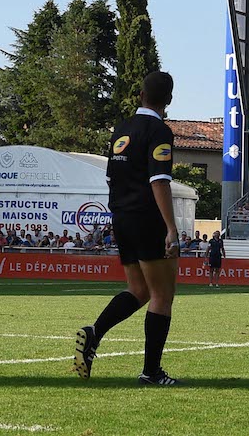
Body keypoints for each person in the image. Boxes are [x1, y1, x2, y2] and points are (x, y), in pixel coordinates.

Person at [74, 71, 182, 387]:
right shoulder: (159, 131)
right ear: (169, 100)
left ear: (140, 96)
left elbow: (111, 179)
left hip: (122, 216)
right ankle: (151, 372)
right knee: (163, 295)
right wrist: (171, 228)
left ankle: (94, 333)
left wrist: (121, 212)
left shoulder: (121, 130)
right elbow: (159, 180)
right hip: (148, 217)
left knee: (139, 289)